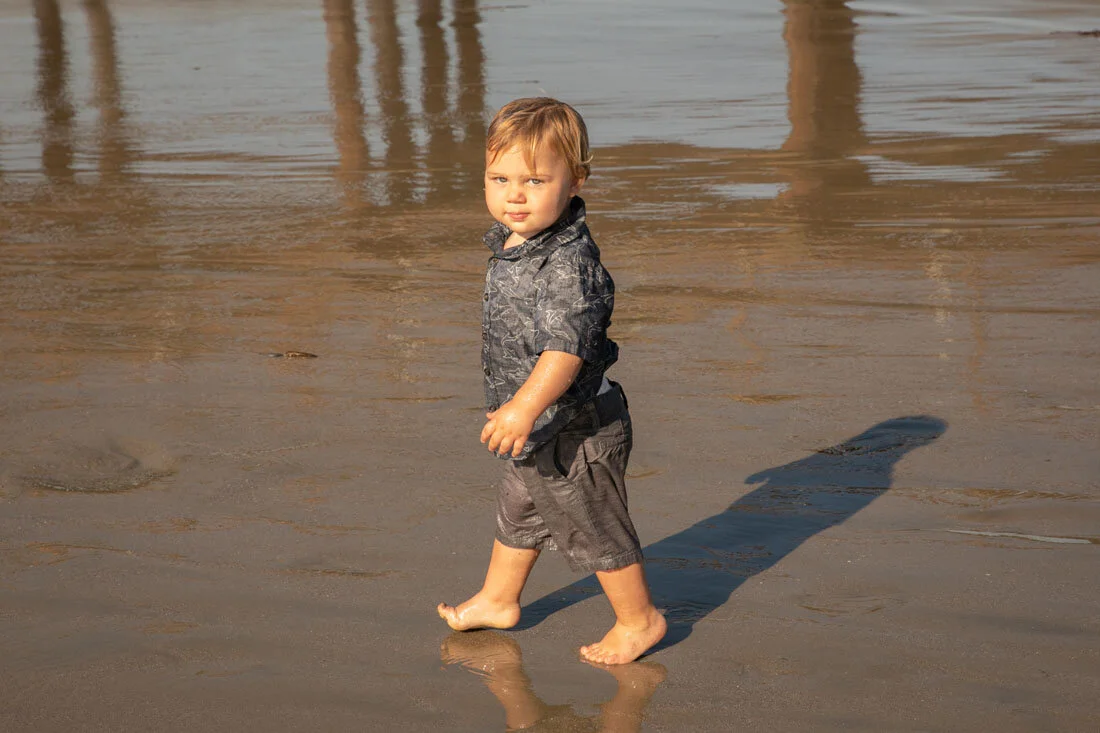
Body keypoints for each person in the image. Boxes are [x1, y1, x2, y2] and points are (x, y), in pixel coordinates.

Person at [437, 97, 666, 665]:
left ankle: (640, 621)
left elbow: (565, 351)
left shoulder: (568, 263)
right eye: (500, 178)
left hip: (577, 428)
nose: (514, 194)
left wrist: (521, 408)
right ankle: (498, 598)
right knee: (519, 511)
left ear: (575, 181)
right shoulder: (515, 242)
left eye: (535, 180)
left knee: (592, 523)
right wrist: (521, 413)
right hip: (539, 424)